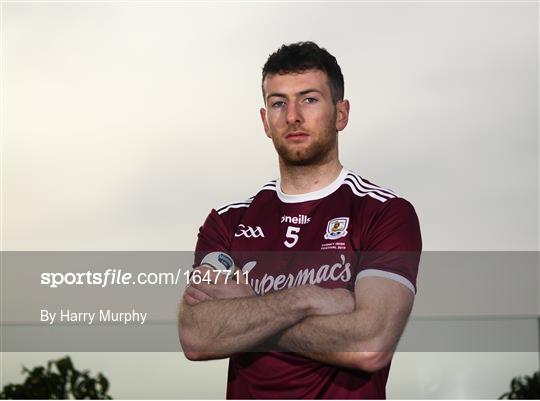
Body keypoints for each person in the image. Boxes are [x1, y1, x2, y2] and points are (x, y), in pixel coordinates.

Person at [178, 41, 422, 399]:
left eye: (309, 99)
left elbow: (369, 343)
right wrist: (305, 299)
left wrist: (249, 312)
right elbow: (197, 336)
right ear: (265, 120)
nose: (292, 116)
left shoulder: (384, 213)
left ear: (341, 114)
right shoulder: (227, 223)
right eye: (278, 103)